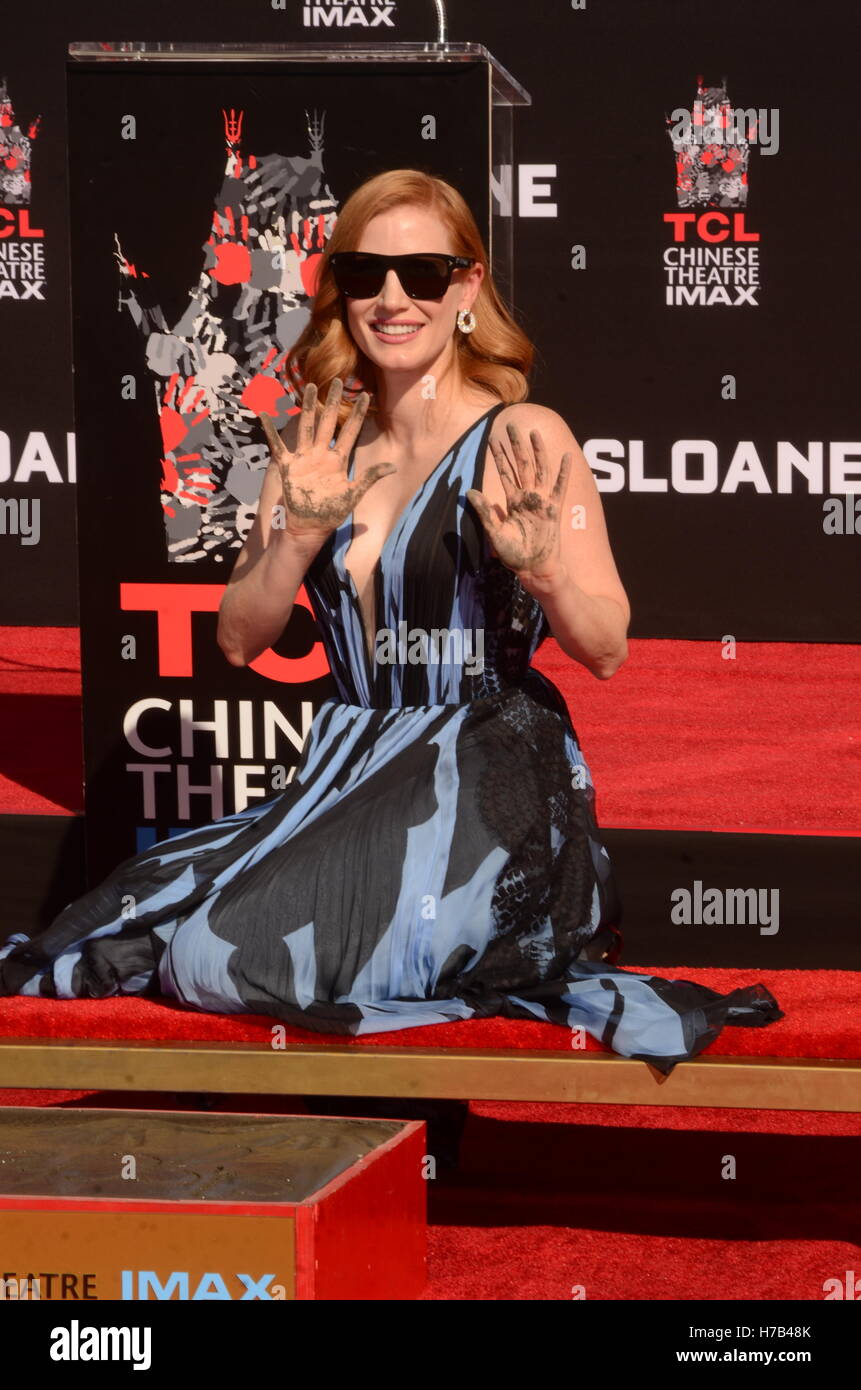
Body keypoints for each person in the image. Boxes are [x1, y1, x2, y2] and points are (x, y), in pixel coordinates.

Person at [0, 168, 782, 1076]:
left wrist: (541, 571)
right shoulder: (317, 441)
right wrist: (296, 534)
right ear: (341, 290)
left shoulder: (525, 437)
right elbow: (238, 638)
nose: (393, 297)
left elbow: (604, 646)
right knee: (127, 924)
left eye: (422, 272)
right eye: (367, 274)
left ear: (467, 287)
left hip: (484, 767)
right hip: (347, 763)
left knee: (218, 957)